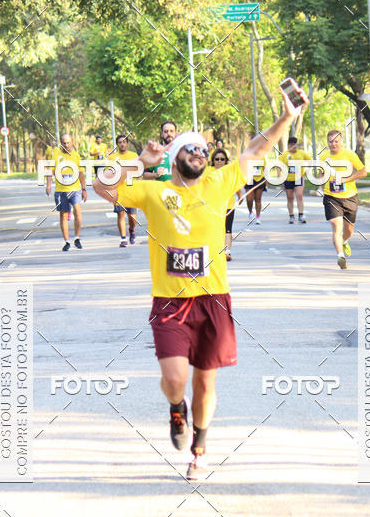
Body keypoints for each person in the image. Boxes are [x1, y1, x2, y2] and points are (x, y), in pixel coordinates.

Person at [93, 89, 302, 480]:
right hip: (170, 302)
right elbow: (102, 187)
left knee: (205, 382)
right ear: (175, 157)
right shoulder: (154, 191)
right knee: (176, 379)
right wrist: (140, 162)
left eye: (203, 150)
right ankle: (177, 409)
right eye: (191, 149)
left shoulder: (219, 183)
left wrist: (286, 118)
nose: (200, 154)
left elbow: (255, 149)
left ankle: (199, 451)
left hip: (213, 301)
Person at [318, 129, 367, 269]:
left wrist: (345, 180)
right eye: (330, 142)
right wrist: (320, 187)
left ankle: (344, 241)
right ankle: (340, 256)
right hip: (331, 197)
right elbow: (321, 173)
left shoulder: (349, 155)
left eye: (336, 141)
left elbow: (363, 172)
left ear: (341, 141)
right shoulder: (324, 157)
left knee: (349, 230)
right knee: (336, 226)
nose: (333, 144)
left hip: (350, 196)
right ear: (327, 142)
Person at [45, 132, 87, 252]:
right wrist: (48, 185)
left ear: (72, 142)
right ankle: (67, 241)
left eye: (68, 143)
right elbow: (50, 171)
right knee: (63, 215)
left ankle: (77, 238)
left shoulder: (76, 155)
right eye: (64, 143)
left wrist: (84, 189)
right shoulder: (56, 155)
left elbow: (81, 173)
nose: (66, 145)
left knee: (77, 211)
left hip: (75, 189)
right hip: (61, 190)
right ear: (61, 143)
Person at [210, 148, 243, 261]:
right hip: (212, 207)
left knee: (227, 229)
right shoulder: (208, 172)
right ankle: (217, 250)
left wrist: (240, 196)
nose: (219, 161)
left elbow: (236, 186)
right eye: (217, 159)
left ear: (226, 160)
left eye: (222, 159)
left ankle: (227, 251)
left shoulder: (230, 172)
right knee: (216, 229)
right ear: (213, 160)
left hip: (228, 205)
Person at [107, 134, 140, 246]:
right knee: (120, 214)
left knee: (132, 217)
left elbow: (139, 172)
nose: (122, 144)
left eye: (124, 142)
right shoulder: (112, 158)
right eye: (120, 142)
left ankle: (131, 229)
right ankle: (123, 238)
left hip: (131, 190)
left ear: (127, 144)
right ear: (117, 144)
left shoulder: (134, 156)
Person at [279, 135, 311, 224]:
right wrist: (279, 177)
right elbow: (279, 166)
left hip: (298, 178)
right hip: (288, 179)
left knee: (299, 195)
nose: (293, 146)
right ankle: (291, 216)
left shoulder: (302, 153)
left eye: (295, 144)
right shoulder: (284, 155)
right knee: (290, 198)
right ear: (288, 145)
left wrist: (307, 170)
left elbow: (310, 161)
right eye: (291, 144)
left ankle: (301, 215)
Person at [244, 153, 267, 225]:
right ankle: (250, 212)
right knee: (249, 199)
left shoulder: (262, 156)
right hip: (249, 179)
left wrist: (267, 178)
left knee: (258, 199)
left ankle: (258, 217)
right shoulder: (247, 156)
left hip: (259, 179)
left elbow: (265, 168)